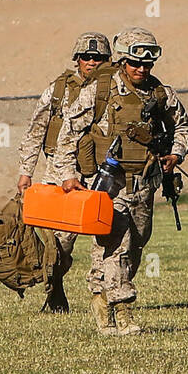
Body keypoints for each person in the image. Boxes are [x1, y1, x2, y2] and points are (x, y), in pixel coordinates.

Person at [52, 27, 188, 336]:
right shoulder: (100, 91)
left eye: (147, 65)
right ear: (123, 60)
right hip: (108, 183)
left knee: (137, 244)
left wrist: (176, 154)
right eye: (135, 63)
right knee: (115, 244)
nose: (142, 70)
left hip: (144, 183)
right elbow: (68, 133)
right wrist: (67, 175)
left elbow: (182, 126)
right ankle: (119, 312)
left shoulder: (160, 93)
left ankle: (101, 296)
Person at [15, 31, 112, 313]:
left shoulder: (116, 88)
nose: (92, 62)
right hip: (59, 173)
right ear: (77, 59)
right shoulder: (58, 90)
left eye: (99, 58)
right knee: (59, 245)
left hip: (100, 175)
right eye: (87, 57)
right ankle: (55, 289)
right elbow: (35, 131)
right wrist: (25, 171)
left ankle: (103, 296)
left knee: (104, 239)